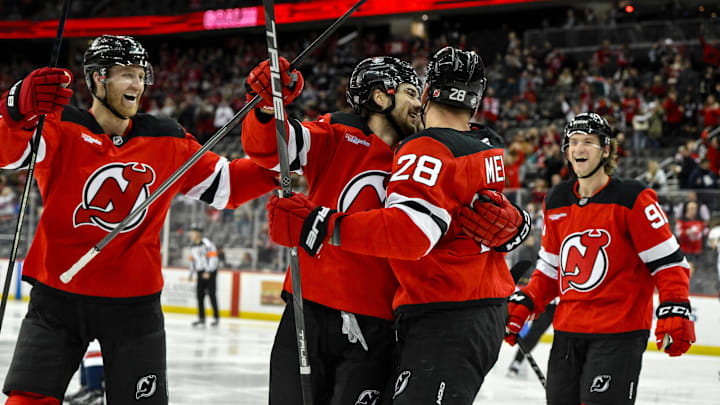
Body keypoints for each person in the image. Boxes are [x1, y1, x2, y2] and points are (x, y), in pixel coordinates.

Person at [0, 35, 278, 405]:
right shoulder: (59, 126)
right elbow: (7, 154)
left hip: (133, 305)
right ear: (98, 78)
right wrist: (15, 109)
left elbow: (228, 185)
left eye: (141, 74)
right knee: (27, 400)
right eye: (126, 74)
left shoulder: (168, 138)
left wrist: (275, 141)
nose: (138, 84)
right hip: (57, 298)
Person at [266, 47, 530, 404]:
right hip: (468, 311)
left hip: (444, 314)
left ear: (426, 93)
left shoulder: (426, 148)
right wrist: (520, 227)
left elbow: (409, 234)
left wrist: (317, 225)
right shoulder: (485, 145)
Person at [504, 113, 695, 405]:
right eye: (573, 142)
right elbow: (551, 268)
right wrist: (527, 302)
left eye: (589, 142)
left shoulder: (632, 198)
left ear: (606, 150)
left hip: (619, 334)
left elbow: (669, 262)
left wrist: (675, 305)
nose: (579, 149)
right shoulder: (556, 200)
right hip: (568, 332)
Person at [187, 225, 220, 327]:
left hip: (210, 272)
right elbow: (193, 261)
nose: (190, 234)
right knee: (199, 295)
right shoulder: (192, 246)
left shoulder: (207, 244)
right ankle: (201, 318)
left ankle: (216, 318)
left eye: (192, 232)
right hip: (200, 272)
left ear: (198, 234)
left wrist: (209, 271)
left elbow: (214, 258)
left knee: (211, 295)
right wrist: (191, 273)